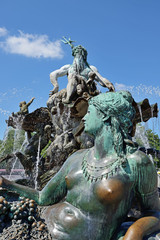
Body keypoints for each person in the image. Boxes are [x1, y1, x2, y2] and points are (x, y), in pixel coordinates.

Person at [0, 91, 160, 240]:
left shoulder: (137, 162)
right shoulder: (76, 157)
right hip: (40, 227)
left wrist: (135, 231)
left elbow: (155, 212)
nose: (83, 118)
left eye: (89, 112)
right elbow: (43, 198)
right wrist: (7, 184)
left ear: (105, 117)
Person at [49, 44, 115, 103]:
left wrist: (108, 84)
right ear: (74, 55)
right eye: (77, 53)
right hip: (72, 90)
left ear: (84, 56)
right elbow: (53, 74)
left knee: (80, 76)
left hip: (88, 90)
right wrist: (56, 86)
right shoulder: (68, 67)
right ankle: (68, 98)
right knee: (73, 76)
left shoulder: (91, 68)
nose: (79, 55)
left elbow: (101, 79)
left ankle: (68, 99)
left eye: (81, 53)